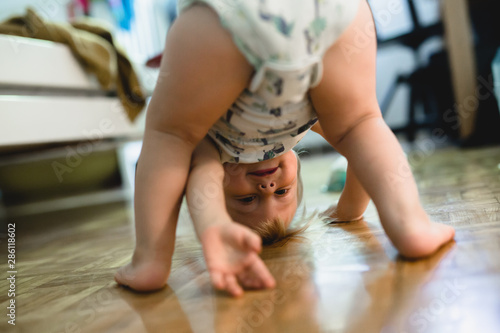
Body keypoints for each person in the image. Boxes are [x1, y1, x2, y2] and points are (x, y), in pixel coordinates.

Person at [115, 0, 455, 297]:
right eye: (283, 193)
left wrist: (214, 225)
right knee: (358, 125)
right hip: (324, 13)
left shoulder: (214, 148)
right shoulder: (300, 123)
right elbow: (358, 149)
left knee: (173, 136)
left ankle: (150, 260)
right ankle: (409, 224)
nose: (267, 187)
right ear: (296, 163)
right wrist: (349, 209)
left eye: (247, 200)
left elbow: (202, 176)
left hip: (234, 17)